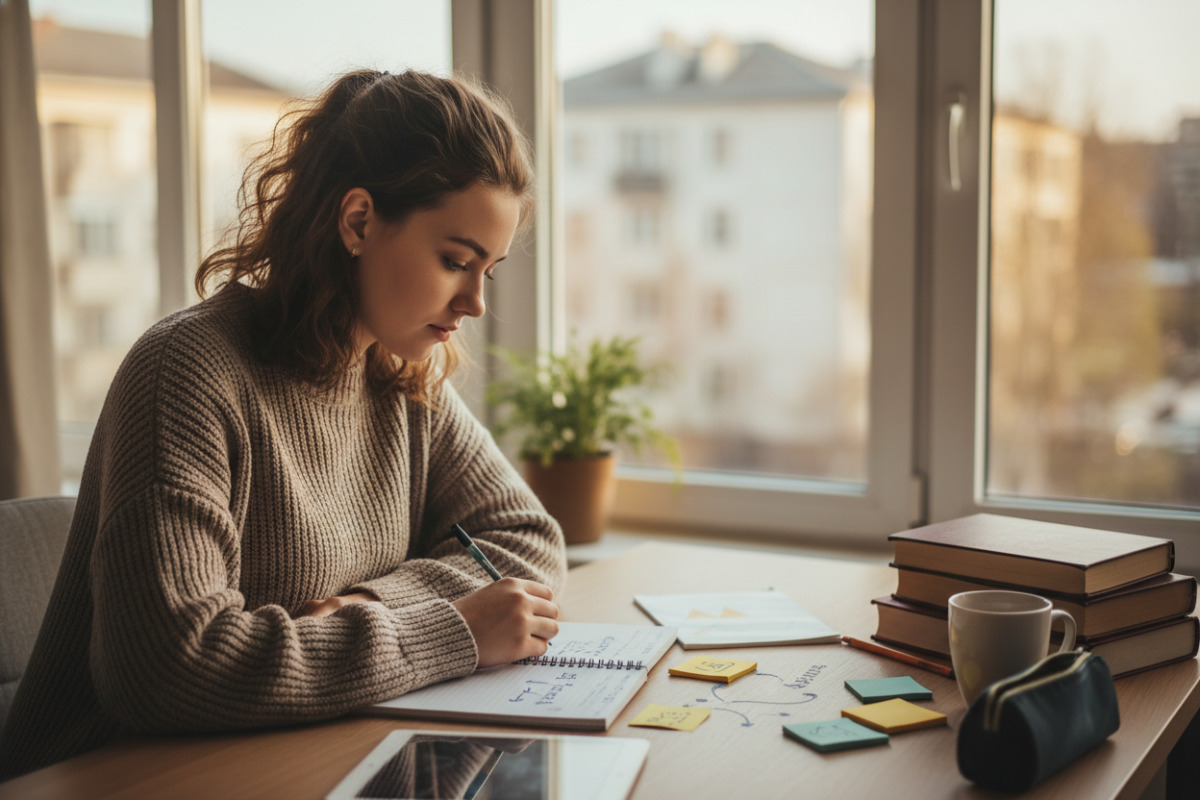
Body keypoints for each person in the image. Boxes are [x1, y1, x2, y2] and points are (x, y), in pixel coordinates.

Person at [0, 69, 566, 780]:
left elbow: (527, 542)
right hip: (116, 777)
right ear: (358, 221)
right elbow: (170, 667)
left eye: (490, 270)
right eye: (456, 261)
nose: (475, 304)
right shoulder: (186, 372)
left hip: (286, 761)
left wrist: (366, 603)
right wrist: (449, 631)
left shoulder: (400, 377)